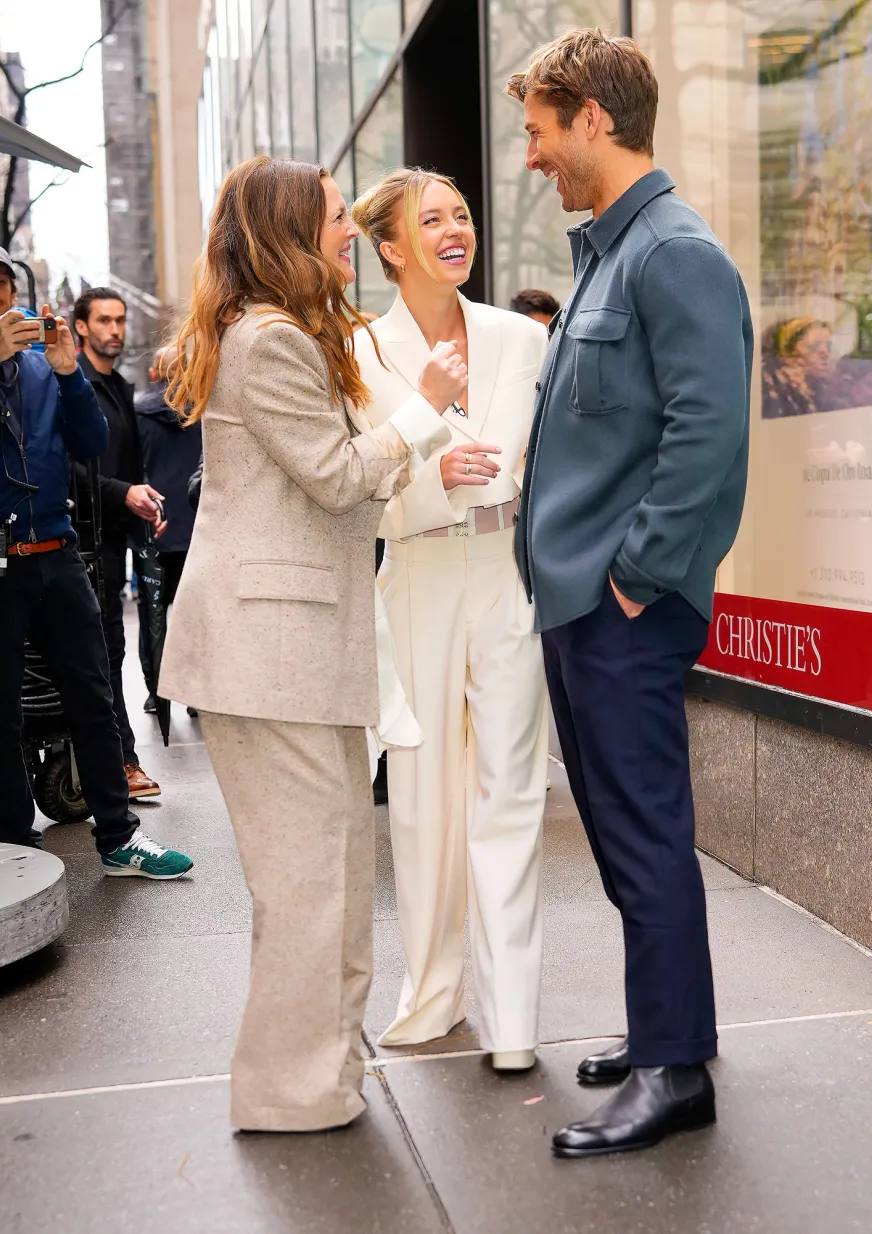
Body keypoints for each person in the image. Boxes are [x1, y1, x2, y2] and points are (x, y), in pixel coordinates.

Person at [159, 155, 453, 1132]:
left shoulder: (278, 333)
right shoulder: (270, 340)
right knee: (307, 888)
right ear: (288, 230)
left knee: (332, 877)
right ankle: (288, 1091)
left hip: (297, 651)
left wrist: (400, 453)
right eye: (333, 215)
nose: (348, 229)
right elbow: (336, 478)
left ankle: (323, 1075)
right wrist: (424, 413)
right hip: (268, 654)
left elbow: (338, 487)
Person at [507, 29, 752, 1156]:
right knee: (618, 829)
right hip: (583, 601)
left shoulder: (673, 252)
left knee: (644, 829)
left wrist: (638, 576)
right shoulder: (612, 253)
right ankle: (668, 1026)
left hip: (622, 604)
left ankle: (674, 1070)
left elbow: (707, 430)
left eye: (540, 131)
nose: (531, 155)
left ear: (593, 120)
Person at [352, 168, 549, 1071]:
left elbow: (537, 462)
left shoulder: (522, 338)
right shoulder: (358, 351)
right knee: (423, 798)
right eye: (429, 219)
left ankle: (513, 1023)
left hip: (506, 571)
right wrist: (431, 482)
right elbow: (357, 492)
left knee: (510, 790)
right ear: (392, 247)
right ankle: (432, 996)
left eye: (461, 214)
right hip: (419, 576)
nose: (453, 229)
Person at [0, 240, 192, 878]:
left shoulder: (43, 365)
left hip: (58, 550)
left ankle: (119, 837)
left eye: (2, 282)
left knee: (93, 697)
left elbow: (92, 441)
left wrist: (68, 372)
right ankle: (15, 843)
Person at [73, 287, 162, 798]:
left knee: (112, 652)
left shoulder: (118, 386)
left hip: (115, 539)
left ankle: (118, 763)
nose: (115, 329)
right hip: (82, 542)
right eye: (104, 320)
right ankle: (120, 764)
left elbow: (129, 466)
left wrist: (142, 505)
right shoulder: (73, 385)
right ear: (81, 327)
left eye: (120, 320)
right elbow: (68, 467)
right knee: (101, 656)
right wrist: (122, 493)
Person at [134, 345, 203, 714]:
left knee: (153, 613)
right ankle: (196, 695)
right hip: (198, 531)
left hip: (154, 529)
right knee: (197, 616)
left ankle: (157, 692)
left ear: (154, 373)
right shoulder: (205, 411)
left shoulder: (138, 414)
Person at [760, 317, 832, 418]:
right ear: (789, 353)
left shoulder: (826, 388)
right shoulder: (772, 388)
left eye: (828, 346)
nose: (826, 354)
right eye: (813, 346)